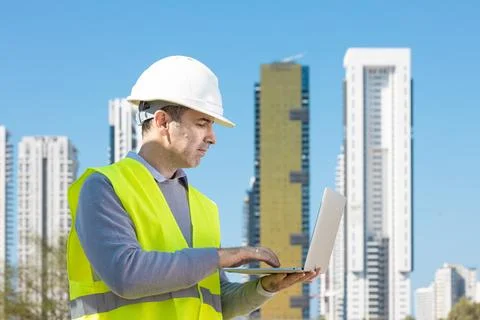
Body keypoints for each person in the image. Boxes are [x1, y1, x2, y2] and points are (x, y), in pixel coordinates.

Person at [66, 55, 319, 320]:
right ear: (163, 121)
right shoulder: (105, 187)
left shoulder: (203, 208)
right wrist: (221, 256)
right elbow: (125, 274)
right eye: (202, 123)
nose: (212, 137)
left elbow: (216, 302)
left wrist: (265, 288)